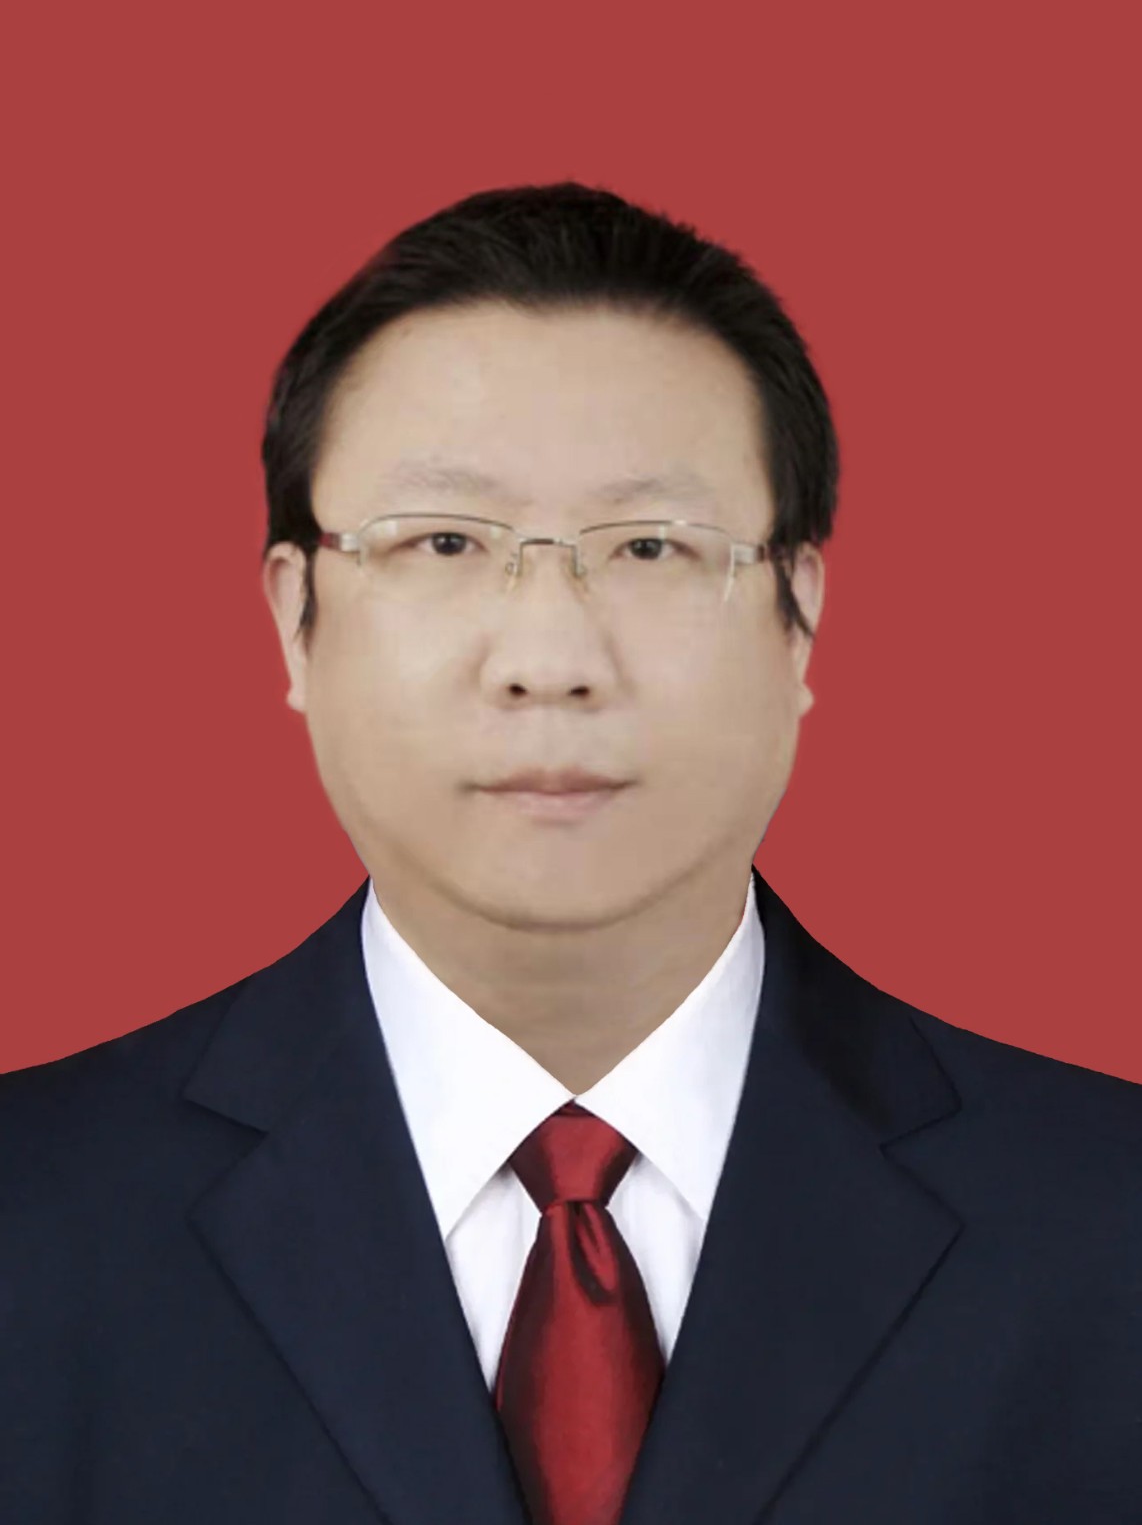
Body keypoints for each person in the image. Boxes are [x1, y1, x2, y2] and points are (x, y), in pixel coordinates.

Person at [1, 183, 1139, 1525]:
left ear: (799, 615)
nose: (549, 660)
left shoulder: (1105, 1224)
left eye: (650, 546)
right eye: (444, 542)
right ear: (295, 620)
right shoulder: (32, 1221)